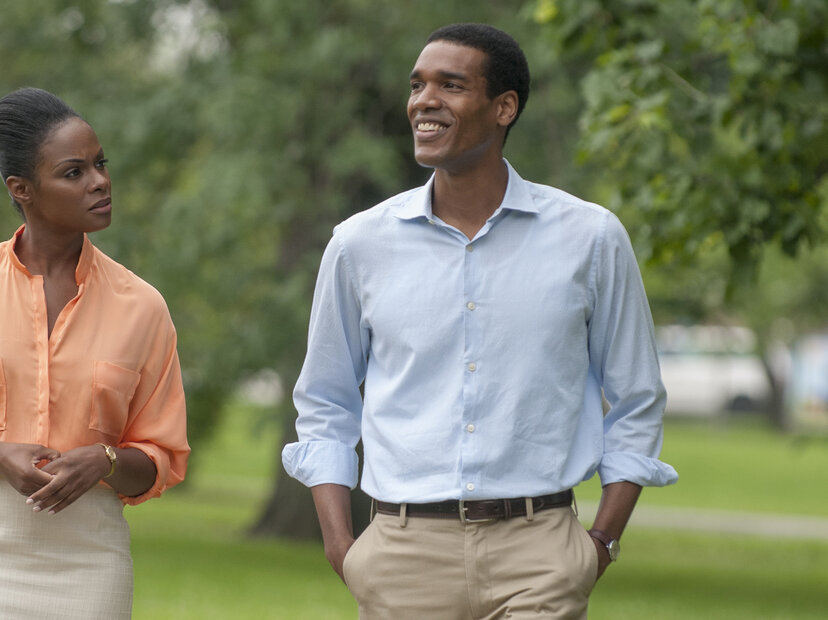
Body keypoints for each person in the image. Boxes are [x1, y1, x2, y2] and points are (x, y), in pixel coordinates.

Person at [282, 23, 677, 619]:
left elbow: (637, 399)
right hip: (402, 557)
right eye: (417, 85)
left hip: (540, 552)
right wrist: (343, 549)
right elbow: (325, 403)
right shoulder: (359, 244)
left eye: (451, 85)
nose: (424, 101)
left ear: (504, 107)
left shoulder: (591, 238)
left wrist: (601, 543)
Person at [0, 87, 189, 618]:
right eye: (74, 172)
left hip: (89, 565)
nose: (100, 181)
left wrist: (105, 459)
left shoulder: (142, 307)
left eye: (100, 164)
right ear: (22, 189)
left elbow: (160, 461)